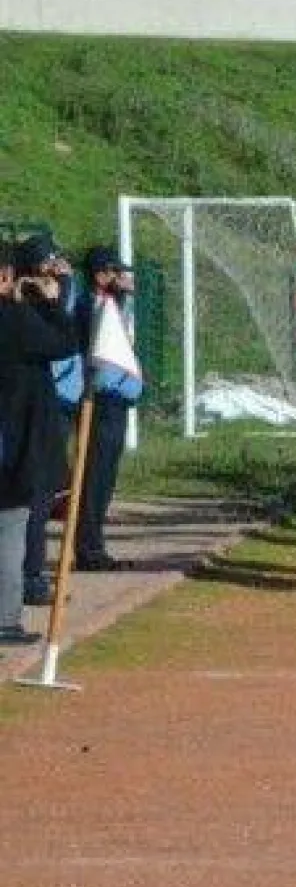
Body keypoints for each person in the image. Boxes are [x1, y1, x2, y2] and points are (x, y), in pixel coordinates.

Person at [0, 244, 78, 645]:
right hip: (13, 441)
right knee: (11, 527)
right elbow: (65, 343)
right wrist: (51, 303)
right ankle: (5, 618)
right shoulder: (14, 319)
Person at [16, 234, 82, 603]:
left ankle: (29, 574)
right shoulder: (26, 311)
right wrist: (57, 299)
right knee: (34, 498)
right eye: (49, 263)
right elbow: (63, 343)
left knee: (41, 493)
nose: (55, 270)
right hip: (33, 411)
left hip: (38, 409)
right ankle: (29, 577)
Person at [74, 246, 142, 571]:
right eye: (115, 272)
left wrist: (123, 299)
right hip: (98, 401)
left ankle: (94, 541)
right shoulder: (90, 305)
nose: (121, 279)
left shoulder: (112, 304)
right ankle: (87, 547)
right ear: (101, 274)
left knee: (106, 476)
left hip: (116, 400)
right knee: (95, 475)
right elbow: (97, 343)